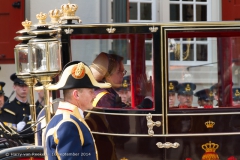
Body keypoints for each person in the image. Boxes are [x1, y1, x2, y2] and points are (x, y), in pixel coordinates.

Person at [45, 61, 111, 159]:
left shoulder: (65, 119)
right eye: (90, 91)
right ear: (76, 95)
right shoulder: (68, 124)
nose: (94, 95)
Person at [1, 73, 33, 143]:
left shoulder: (33, 108)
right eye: (21, 86)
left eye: (26, 85)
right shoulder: (7, 108)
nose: (24, 89)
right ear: (14, 87)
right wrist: (16, 128)